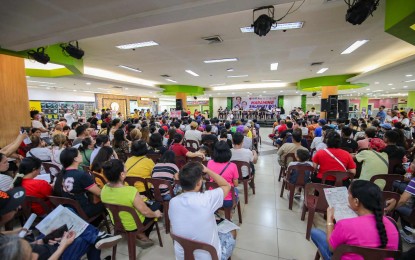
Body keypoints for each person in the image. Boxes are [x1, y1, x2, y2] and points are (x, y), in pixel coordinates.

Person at [0, 187, 122, 260]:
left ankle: (96, 236)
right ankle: (97, 237)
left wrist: (41, 240)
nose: (17, 208)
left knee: (68, 211)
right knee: (83, 239)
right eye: (11, 207)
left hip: (39, 245)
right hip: (54, 254)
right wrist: (63, 245)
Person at [310, 180, 399, 260]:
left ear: (356, 201)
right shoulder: (392, 224)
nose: (347, 197)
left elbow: (331, 247)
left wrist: (329, 220)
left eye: (348, 195)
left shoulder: (345, 225)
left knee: (315, 232)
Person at [169, 162, 236, 260]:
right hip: (210, 256)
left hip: (183, 257)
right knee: (232, 230)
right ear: (199, 183)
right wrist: (208, 170)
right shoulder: (207, 198)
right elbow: (226, 186)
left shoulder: (173, 202)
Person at [101, 159, 162, 247]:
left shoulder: (104, 190)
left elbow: (119, 199)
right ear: (122, 174)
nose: (126, 168)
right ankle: (142, 234)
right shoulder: (131, 191)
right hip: (135, 225)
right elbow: (145, 212)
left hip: (117, 223)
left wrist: (137, 198)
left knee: (145, 205)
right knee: (157, 205)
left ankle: (139, 234)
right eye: (125, 167)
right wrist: (155, 214)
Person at [53, 148, 105, 218]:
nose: (81, 155)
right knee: (109, 202)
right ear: (75, 159)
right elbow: (100, 193)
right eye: (79, 154)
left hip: (69, 210)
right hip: (82, 211)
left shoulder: (59, 175)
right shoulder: (81, 175)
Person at [207, 141, 239, 209]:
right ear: (228, 152)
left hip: (213, 196)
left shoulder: (209, 163)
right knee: (236, 190)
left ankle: (216, 212)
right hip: (227, 200)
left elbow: (209, 177)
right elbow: (236, 184)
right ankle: (230, 212)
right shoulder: (233, 166)